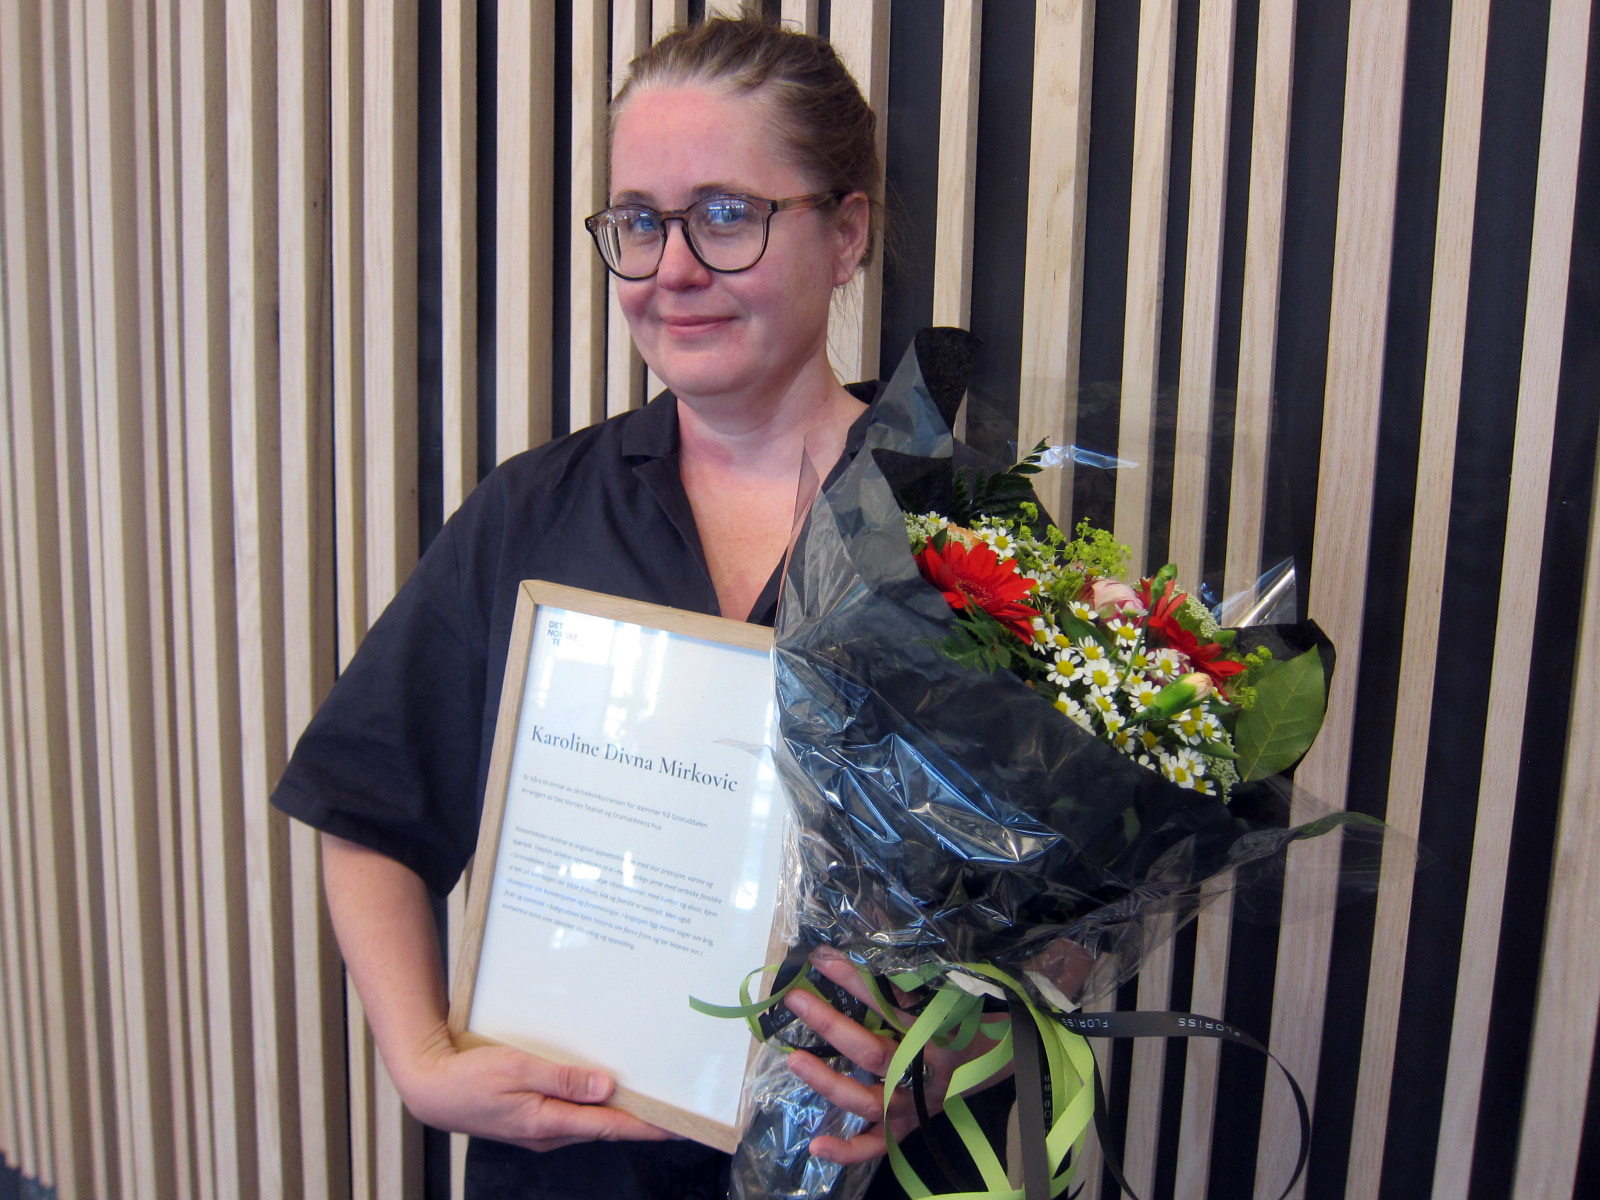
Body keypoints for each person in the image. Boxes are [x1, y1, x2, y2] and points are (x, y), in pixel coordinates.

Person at [273, 15, 984, 1200]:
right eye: (639, 223)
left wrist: (957, 1054)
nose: (672, 270)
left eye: (725, 214)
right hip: (575, 1168)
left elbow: (1072, 898)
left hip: (867, 1173)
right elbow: (368, 807)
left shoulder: (970, 537)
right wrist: (419, 1061)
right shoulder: (531, 514)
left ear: (846, 232)